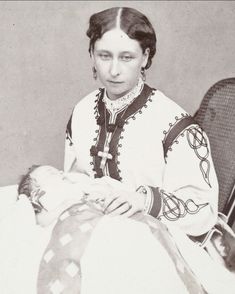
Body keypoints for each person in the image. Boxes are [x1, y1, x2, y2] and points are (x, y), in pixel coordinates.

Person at [37, 6, 235, 294]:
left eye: (126, 57)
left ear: (145, 57)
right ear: (92, 54)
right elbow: (77, 175)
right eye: (104, 56)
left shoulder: (174, 125)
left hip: (168, 243)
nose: (114, 70)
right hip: (96, 232)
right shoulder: (82, 111)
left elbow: (203, 211)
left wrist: (143, 200)